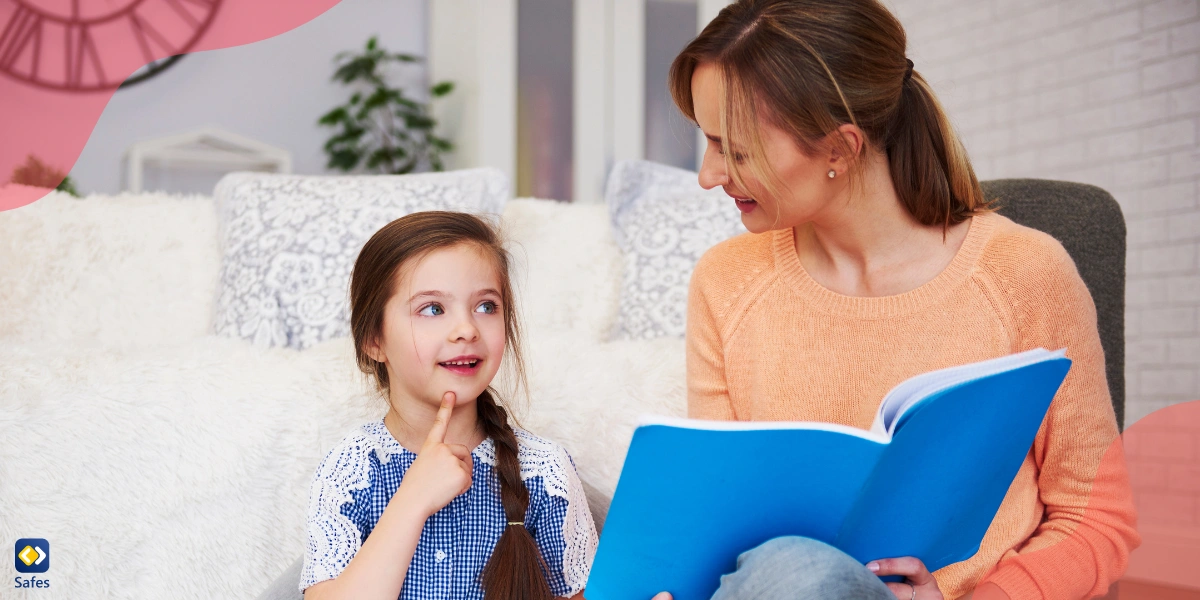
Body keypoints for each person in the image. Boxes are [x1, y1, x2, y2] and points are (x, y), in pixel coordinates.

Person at [655, 1, 1141, 599]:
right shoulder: (726, 281)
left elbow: (1094, 520)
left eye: (735, 149)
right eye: (709, 143)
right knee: (794, 570)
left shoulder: (1024, 275)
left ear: (840, 147)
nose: (708, 174)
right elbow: (720, 524)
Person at [299, 211, 597, 600]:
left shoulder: (544, 472)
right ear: (374, 340)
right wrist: (412, 500)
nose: (467, 329)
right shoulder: (352, 470)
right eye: (433, 309)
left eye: (486, 306)